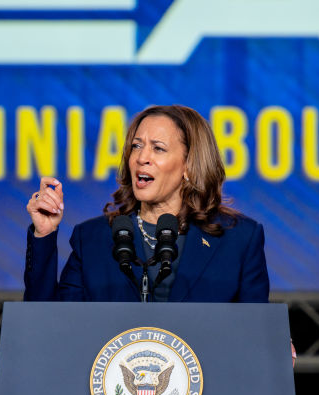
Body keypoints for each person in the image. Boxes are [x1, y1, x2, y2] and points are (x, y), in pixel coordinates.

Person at [24, 105, 269, 303]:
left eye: (158, 148)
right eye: (137, 146)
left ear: (189, 165)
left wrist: (273, 345)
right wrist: (44, 234)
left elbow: (253, 333)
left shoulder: (238, 240)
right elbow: (49, 330)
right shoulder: (93, 238)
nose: (142, 158)